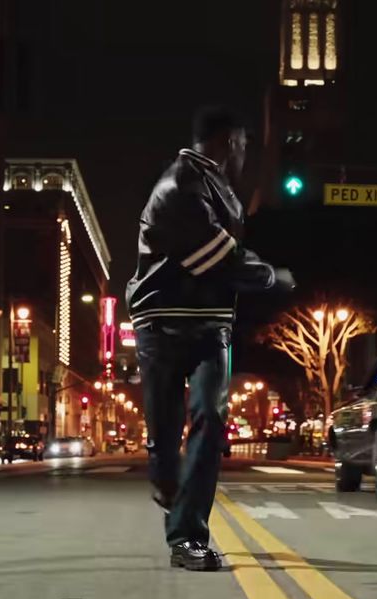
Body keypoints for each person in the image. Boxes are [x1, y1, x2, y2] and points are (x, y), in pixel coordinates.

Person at [126, 106, 295, 571]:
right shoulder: (178, 187)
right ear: (225, 143)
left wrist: (254, 273)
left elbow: (226, 256)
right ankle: (165, 481)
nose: (245, 156)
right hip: (162, 321)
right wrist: (272, 277)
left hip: (211, 323)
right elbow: (219, 259)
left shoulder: (218, 189)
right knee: (164, 433)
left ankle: (187, 536)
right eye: (242, 146)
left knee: (211, 419)